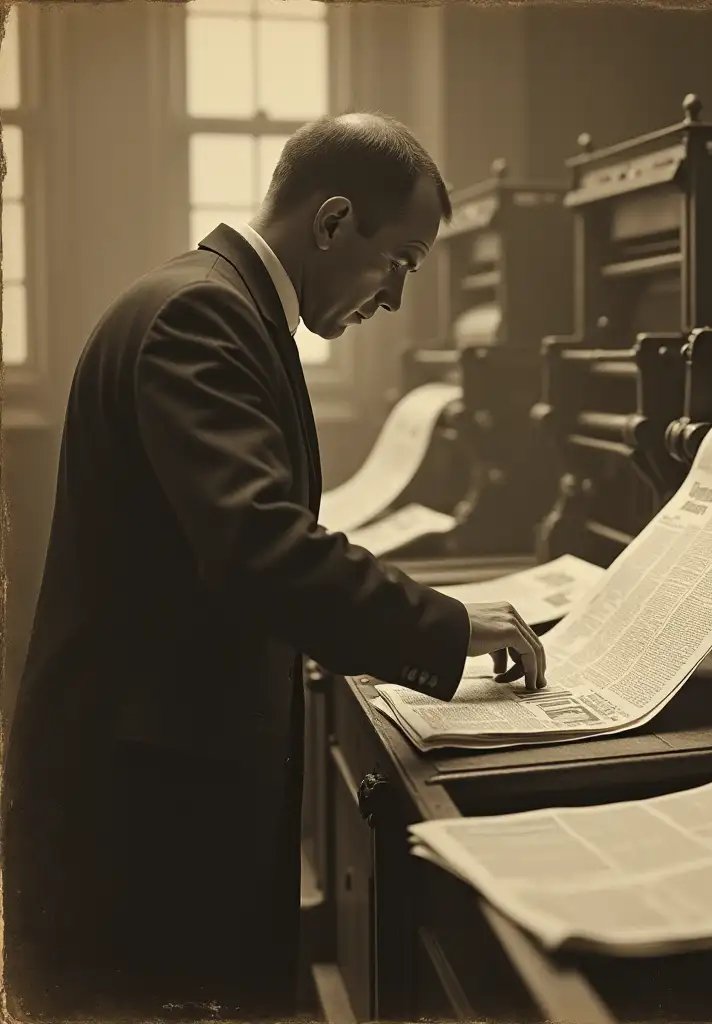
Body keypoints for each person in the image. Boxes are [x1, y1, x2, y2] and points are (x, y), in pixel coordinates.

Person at [1, 112, 547, 1021]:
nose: (399, 298)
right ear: (332, 223)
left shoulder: (218, 304)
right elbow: (261, 551)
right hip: (142, 818)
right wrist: (449, 626)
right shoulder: (201, 317)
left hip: (160, 787)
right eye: (401, 260)